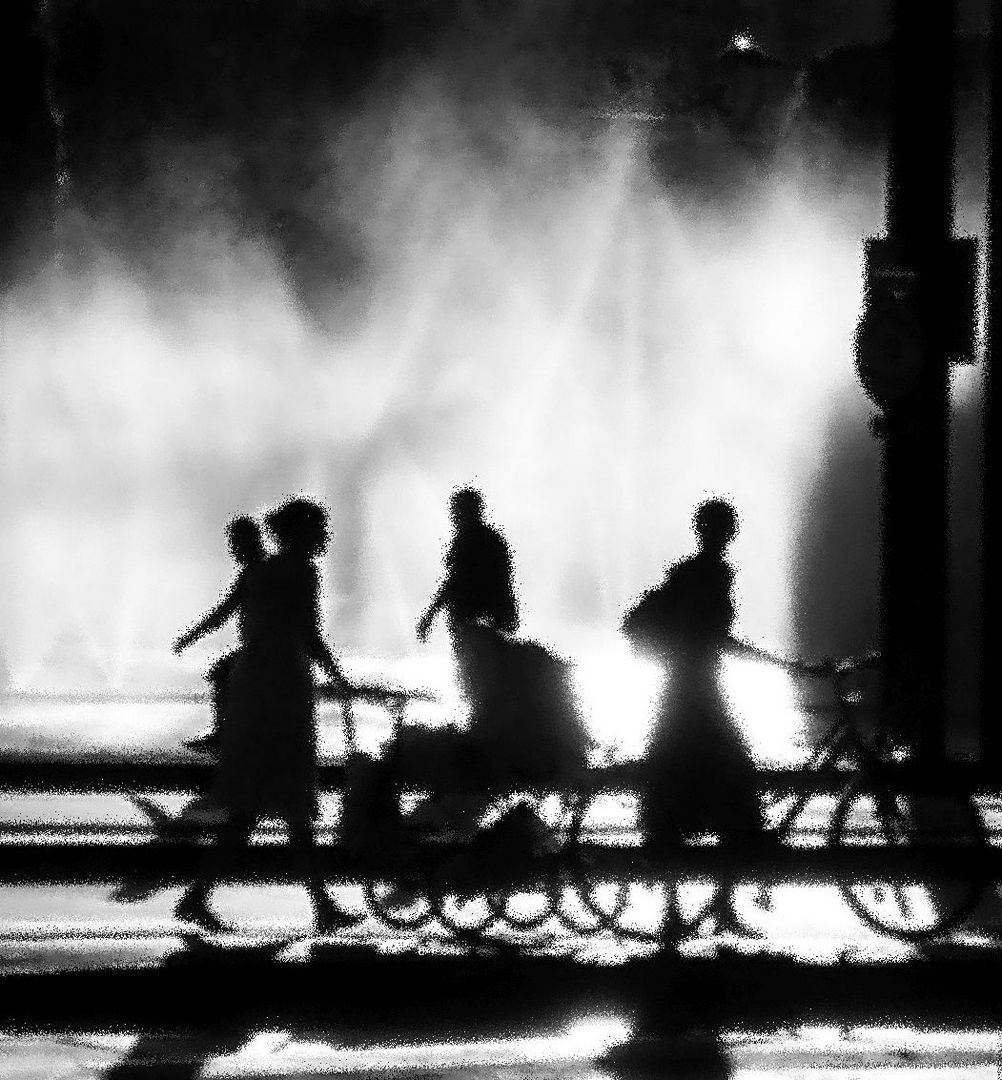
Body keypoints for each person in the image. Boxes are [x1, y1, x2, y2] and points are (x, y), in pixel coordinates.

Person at [174, 498, 354, 933]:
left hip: (253, 685)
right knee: (286, 798)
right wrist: (337, 676)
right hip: (282, 686)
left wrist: (191, 636)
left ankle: (316, 904)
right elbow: (307, 631)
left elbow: (239, 615)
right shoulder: (301, 572)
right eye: (318, 529)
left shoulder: (262, 569)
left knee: (254, 804)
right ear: (303, 533)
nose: (323, 537)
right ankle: (320, 905)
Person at [622, 498, 763, 852]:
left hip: (682, 682)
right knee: (727, 758)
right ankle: (737, 839)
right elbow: (711, 635)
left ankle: (676, 831)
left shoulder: (689, 572)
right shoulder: (713, 575)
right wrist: (766, 660)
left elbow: (704, 634)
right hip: (698, 684)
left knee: (680, 756)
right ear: (726, 532)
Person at [173, 516, 266, 754]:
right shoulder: (257, 570)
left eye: (235, 543)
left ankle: (224, 734)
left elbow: (223, 612)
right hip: (265, 646)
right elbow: (224, 612)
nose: (233, 550)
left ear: (248, 542)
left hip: (266, 647)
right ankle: (233, 732)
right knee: (224, 674)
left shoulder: (256, 573)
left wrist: (189, 637)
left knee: (223, 674)